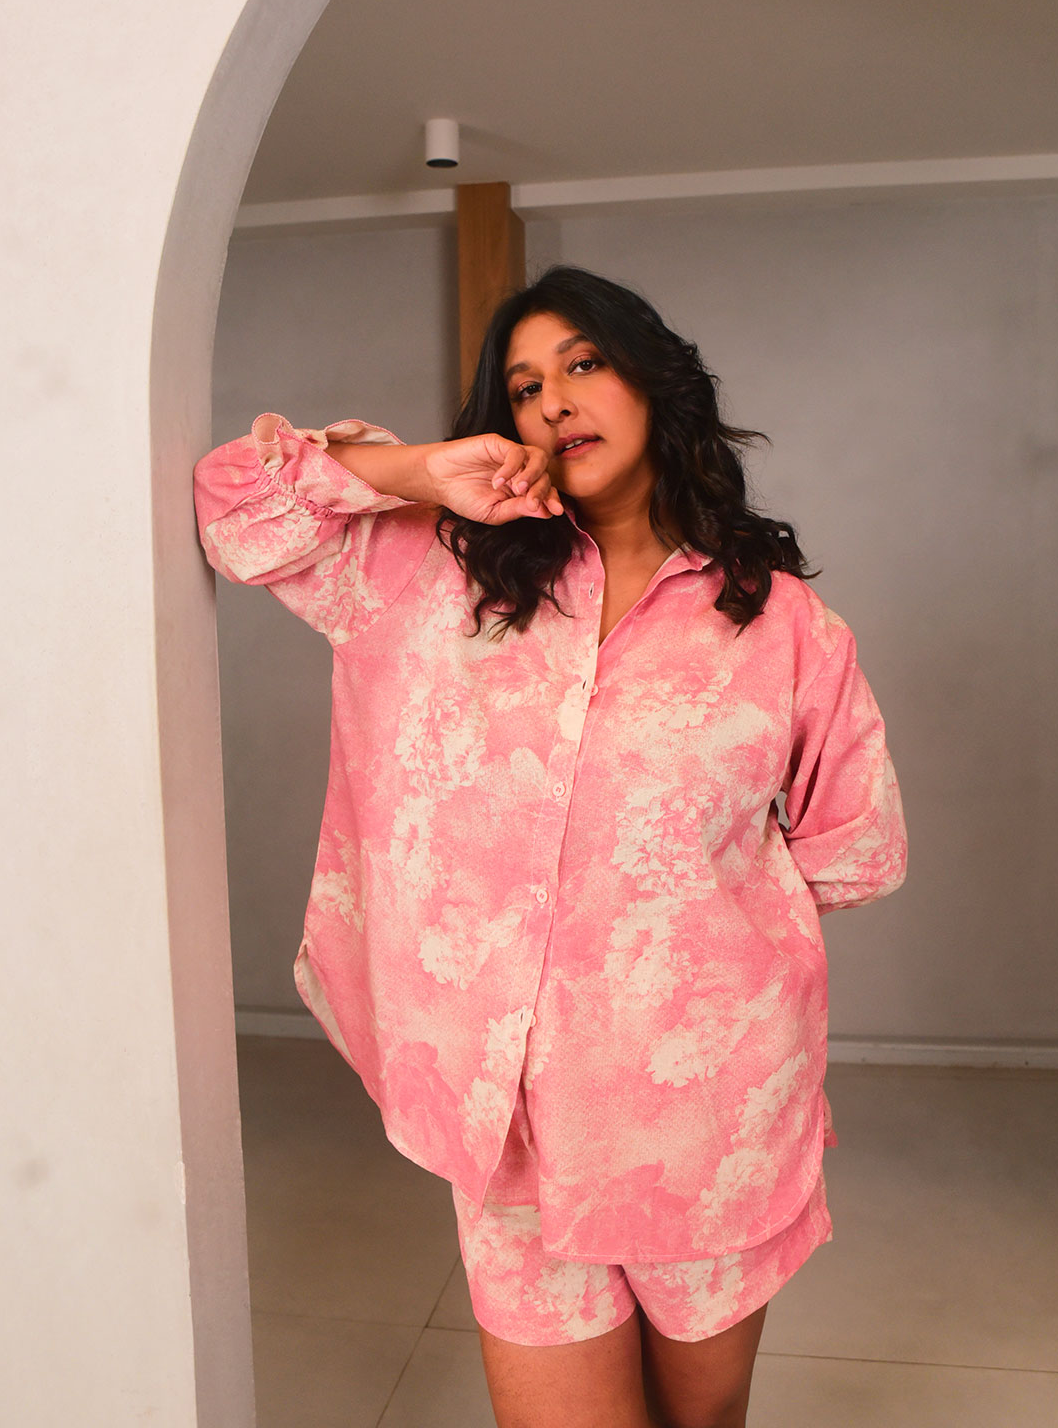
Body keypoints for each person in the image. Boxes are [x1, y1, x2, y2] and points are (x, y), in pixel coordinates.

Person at [193, 262, 908, 1428]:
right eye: (524, 387)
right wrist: (423, 470)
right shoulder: (432, 571)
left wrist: (668, 922)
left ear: (654, 382)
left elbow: (856, 850)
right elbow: (233, 503)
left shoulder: (784, 626)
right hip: (512, 1130)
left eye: (583, 363)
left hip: (707, 1124)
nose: (555, 400)